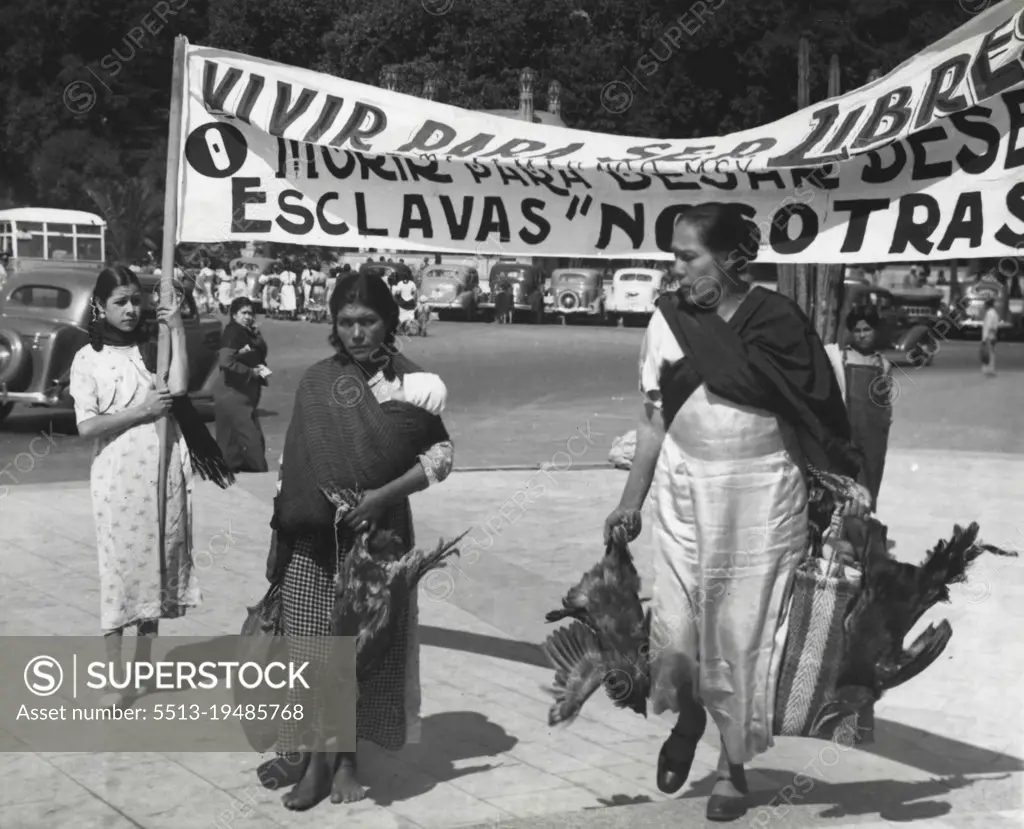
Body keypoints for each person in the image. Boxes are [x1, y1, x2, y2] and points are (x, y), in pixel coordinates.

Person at [603, 203, 869, 822]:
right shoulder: (668, 319)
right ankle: (692, 713)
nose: (674, 267)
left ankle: (733, 766)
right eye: (672, 254)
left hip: (762, 497)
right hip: (683, 493)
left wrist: (846, 499)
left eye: (687, 255)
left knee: (744, 633)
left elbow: (818, 415)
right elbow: (652, 420)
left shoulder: (778, 321)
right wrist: (629, 501)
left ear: (730, 260)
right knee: (678, 626)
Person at [259, 270, 454, 811]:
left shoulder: (411, 385)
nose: (356, 332)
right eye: (346, 322)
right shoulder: (319, 382)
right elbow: (290, 463)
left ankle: (343, 760)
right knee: (310, 646)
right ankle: (313, 756)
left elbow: (441, 458)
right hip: (313, 537)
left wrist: (380, 495)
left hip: (379, 536)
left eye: (367, 321)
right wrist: (281, 528)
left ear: (389, 321)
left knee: (359, 650)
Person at [69, 266, 231, 710]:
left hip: (164, 468)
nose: (129, 309)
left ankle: (141, 671)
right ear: (100, 305)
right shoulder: (88, 358)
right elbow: (86, 426)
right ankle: (114, 677)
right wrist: (140, 411)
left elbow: (177, 387)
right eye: (119, 301)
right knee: (120, 573)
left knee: (156, 568)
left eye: (134, 301)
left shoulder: (149, 348)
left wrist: (175, 326)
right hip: (119, 474)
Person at [824, 309, 896, 511]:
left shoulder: (884, 365)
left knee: (869, 486)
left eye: (867, 329)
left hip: (873, 438)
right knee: (846, 487)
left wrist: (883, 427)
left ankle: (862, 532)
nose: (862, 335)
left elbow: (885, 402)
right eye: (857, 330)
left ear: (875, 331)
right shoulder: (840, 359)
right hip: (847, 432)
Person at [214, 298, 270, 473]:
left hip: (244, 394)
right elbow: (226, 362)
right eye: (244, 313)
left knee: (230, 441)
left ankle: (228, 470)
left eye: (250, 313)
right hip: (233, 393)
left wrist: (256, 335)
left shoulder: (247, 332)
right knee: (251, 439)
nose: (248, 317)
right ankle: (260, 476)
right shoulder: (233, 333)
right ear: (234, 315)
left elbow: (260, 350)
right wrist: (251, 373)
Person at [981, 297, 1000, 376]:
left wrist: (985, 338)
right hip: (993, 335)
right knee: (991, 353)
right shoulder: (994, 313)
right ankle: (989, 369)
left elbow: (988, 326)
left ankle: (988, 369)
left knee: (988, 353)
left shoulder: (990, 313)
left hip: (989, 336)